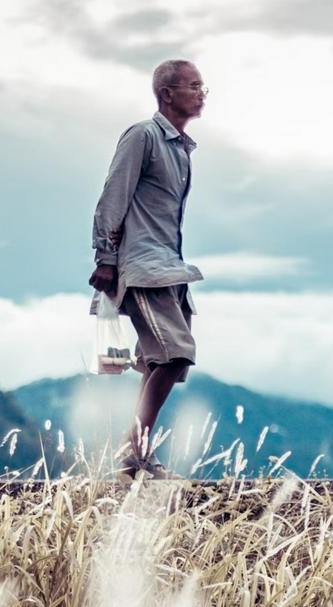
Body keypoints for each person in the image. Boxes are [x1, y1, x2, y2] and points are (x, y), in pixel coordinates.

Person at [88, 59, 208, 480]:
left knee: (165, 361)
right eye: (193, 85)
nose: (201, 93)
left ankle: (135, 456)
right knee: (176, 353)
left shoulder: (182, 149)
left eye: (203, 87)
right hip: (141, 266)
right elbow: (112, 196)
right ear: (167, 94)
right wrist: (105, 258)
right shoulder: (143, 136)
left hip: (170, 267)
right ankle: (130, 449)